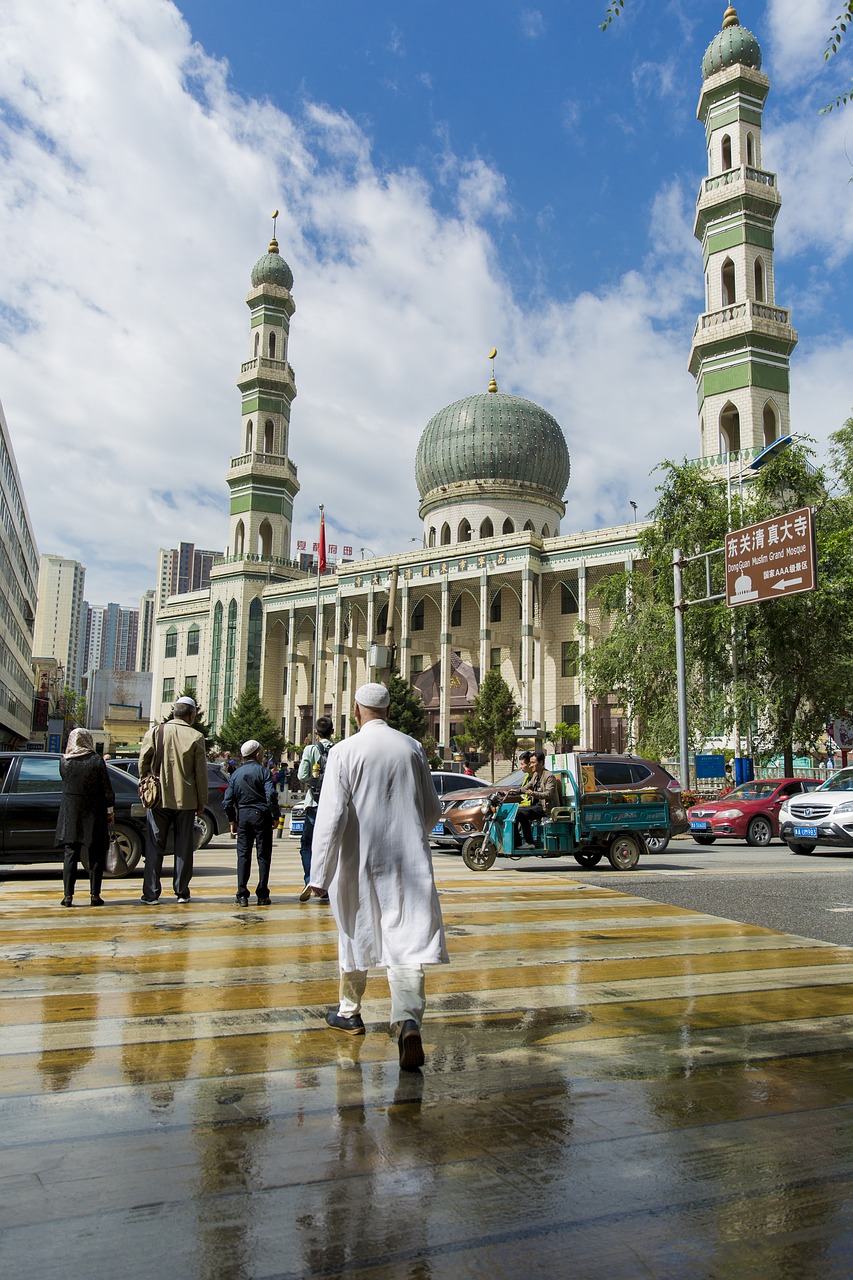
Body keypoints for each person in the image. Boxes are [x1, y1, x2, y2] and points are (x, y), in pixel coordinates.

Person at [308, 682, 448, 1071]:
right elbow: (432, 810)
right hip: (406, 861)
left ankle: (350, 1012)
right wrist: (411, 833)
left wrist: (319, 874)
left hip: (359, 862)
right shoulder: (411, 747)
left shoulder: (343, 751)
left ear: (356, 710)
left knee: (356, 932)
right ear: (388, 710)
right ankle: (407, 1020)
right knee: (406, 941)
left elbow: (331, 817)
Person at [138, 695, 207, 904]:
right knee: (184, 846)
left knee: (154, 845)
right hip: (186, 800)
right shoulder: (196, 737)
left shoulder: (155, 732)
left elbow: (143, 763)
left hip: (158, 799)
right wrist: (201, 800)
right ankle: (182, 891)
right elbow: (200, 773)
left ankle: (151, 893)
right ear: (191, 715)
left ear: (174, 712)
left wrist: (145, 783)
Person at [55, 728, 115, 907]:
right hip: (93, 813)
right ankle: (95, 895)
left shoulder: (64, 762)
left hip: (70, 813)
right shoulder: (96, 761)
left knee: (70, 854)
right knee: (95, 854)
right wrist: (110, 809)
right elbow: (107, 790)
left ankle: (68, 896)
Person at [223, 739, 279, 906]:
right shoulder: (264, 772)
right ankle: (262, 894)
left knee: (243, 855)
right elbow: (271, 797)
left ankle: (242, 894)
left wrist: (232, 819)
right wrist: (275, 816)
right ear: (257, 755)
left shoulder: (235, 775)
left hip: (243, 817)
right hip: (261, 816)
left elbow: (227, 802)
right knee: (263, 855)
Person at [297, 716, 334, 901]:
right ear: (333, 732)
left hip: (313, 804)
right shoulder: (338, 750)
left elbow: (302, 775)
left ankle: (310, 878)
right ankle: (326, 886)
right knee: (330, 845)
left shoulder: (311, 749)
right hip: (332, 805)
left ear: (316, 733)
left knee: (307, 844)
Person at [517, 750, 561, 847]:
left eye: (533, 762)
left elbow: (549, 794)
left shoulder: (549, 776)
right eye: (530, 763)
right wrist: (513, 792)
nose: (531, 765)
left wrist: (534, 793)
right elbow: (527, 787)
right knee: (515, 811)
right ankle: (518, 842)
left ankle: (529, 842)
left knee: (520, 813)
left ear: (541, 763)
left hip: (546, 808)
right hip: (537, 806)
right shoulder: (536, 775)